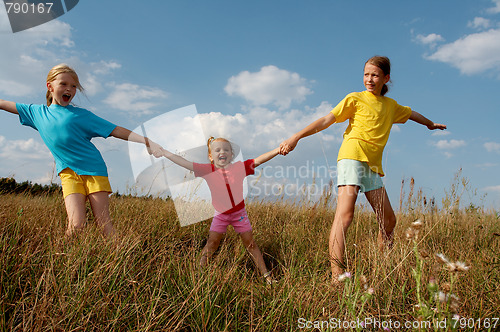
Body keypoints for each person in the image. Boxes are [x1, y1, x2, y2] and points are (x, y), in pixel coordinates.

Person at [279, 56, 446, 281]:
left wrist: (430, 124)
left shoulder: (391, 106)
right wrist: (296, 136)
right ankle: (337, 276)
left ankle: (383, 265)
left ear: (386, 78)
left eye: (375, 75)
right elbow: (327, 120)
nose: (369, 79)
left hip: (372, 167)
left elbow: (411, 113)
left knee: (389, 220)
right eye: (366, 74)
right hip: (352, 158)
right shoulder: (355, 99)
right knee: (345, 215)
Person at [0, 64, 162, 238]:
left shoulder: (82, 115)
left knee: (104, 225)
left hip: (94, 171)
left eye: (74, 86)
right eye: (64, 84)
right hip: (68, 174)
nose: (69, 89)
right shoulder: (37, 113)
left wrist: (146, 141)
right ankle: (62, 261)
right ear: (50, 86)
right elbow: (3, 104)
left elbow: (115, 130)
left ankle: (123, 258)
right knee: (76, 225)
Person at [158, 137, 279, 284]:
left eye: (226, 149)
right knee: (212, 243)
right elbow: (185, 163)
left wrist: (278, 150)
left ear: (232, 154)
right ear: (210, 156)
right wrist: (165, 153)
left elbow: (259, 160)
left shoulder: (239, 168)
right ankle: (197, 275)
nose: (222, 152)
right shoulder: (207, 170)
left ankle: (267, 277)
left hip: (239, 215)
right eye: (218, 150)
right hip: (220, 215)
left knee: (250, 244)